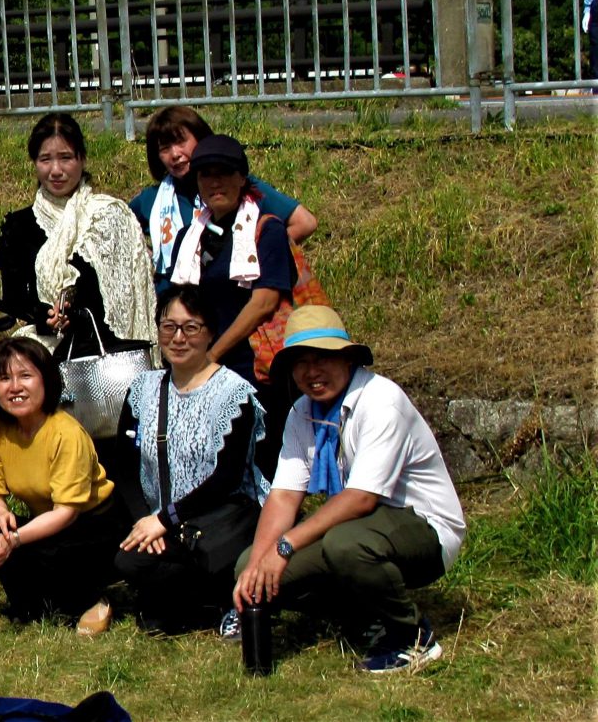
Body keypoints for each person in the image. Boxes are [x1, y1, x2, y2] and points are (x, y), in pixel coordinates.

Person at [233, 305, 465, 672]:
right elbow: (283, 495)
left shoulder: (380, 401)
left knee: (345, 546)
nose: (312, 372)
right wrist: (257, 566)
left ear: (347, 359)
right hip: (357, 528)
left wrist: (286, 545)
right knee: (250, 562)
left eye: (323, 359)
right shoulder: (301, 413)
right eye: (301, 363)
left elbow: (361, 498)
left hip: (423, 528)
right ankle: (360, 616)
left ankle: (412, 636)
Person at [113, 290, 267, 636]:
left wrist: (165, 520)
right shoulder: (143, 388)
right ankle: (198, 604)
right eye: (169, 327)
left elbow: (225, 479)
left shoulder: (233, 394)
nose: (178, 338)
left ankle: (197, 603)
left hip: (219, 522)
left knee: (172, 568)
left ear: (210, 332)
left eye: (191, 327)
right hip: (164, 522)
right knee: (128, 558)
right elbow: (123, 464)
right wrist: (145, 521)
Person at [0, 336, 124, 635]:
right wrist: (1, 515)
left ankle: (93, 599)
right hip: (47, 521)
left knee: (46, 551)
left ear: (46, 380)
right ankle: (45, 604)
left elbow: (66, 512)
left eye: (25, 376)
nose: (15, 387)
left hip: (94, 524)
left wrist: (15, 539)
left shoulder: (66, 433)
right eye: (4, 378)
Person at [166, 134, 296, 464]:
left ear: (242, 178)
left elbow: (263, 302)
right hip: (204, 369)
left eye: (224, 172)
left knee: (260, 461)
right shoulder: (190, 237)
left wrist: (211, 356)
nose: (215, 182)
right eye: (206, 174)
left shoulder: (267, 231)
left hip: (255, 369)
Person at [0, 113, 157, 358]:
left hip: (110, 355)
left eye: (66, 158)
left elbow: (130, 296)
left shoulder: (110, 216)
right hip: (46, 355)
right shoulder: (19, 226)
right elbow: (15, 300)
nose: (56, 170)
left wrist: (78, 312)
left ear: (82, 158)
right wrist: (45, 315)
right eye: (45, 159)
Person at [130, 105, 314, 292]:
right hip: (171, 308)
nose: (175, 154)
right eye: (165, 148)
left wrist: (256, 253)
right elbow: (118, 232)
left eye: (181, 142)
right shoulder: (152, 199)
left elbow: (305, 223)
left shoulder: (237, 186)